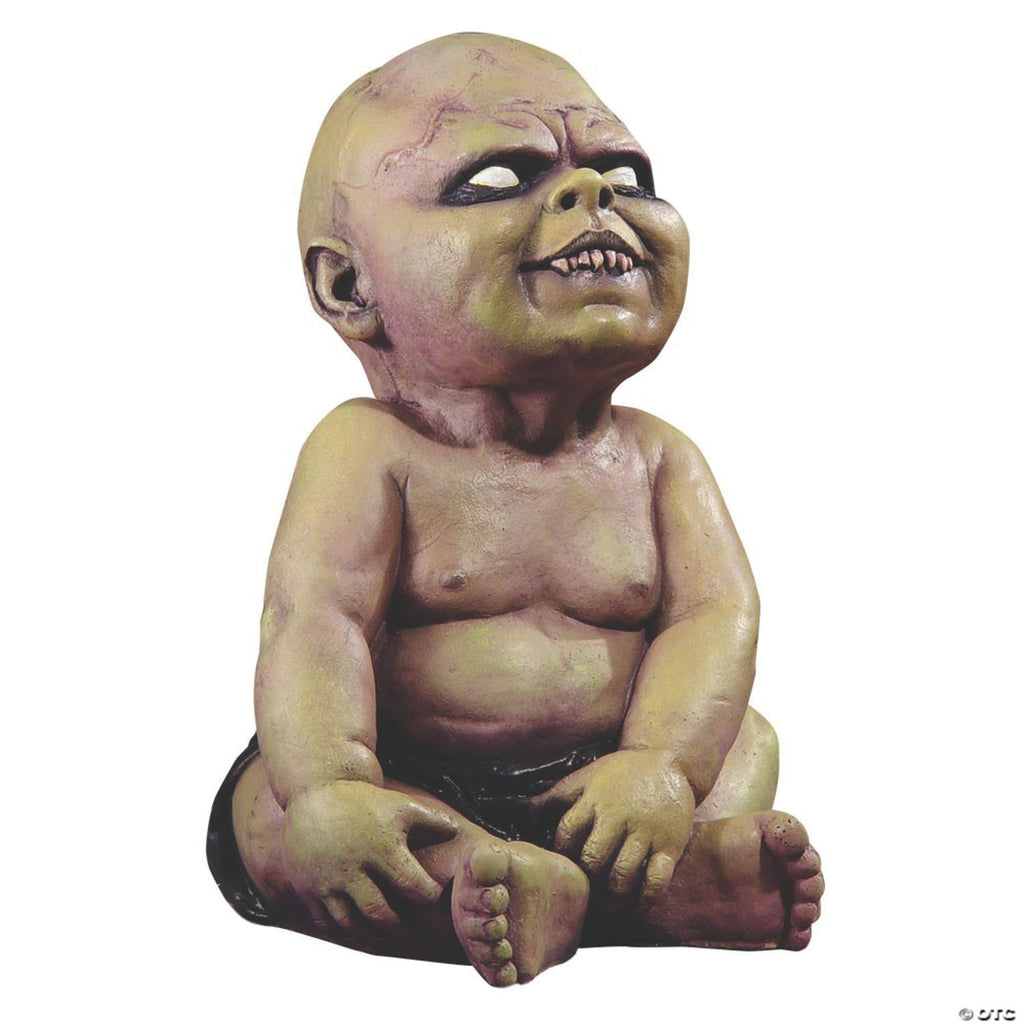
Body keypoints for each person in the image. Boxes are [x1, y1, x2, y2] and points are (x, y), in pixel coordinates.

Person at [208, 32, 823, 987]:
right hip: (409, 779)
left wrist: (661, 767)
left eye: (624, 173)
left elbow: (717, 617)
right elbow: (313, 624)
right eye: (495, 180)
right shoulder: (369, 452)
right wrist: (331, 783)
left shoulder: (659, 459)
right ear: (350, 286)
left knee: (744, 739)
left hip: (615, 783)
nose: (594, 197)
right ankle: (543, 890)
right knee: (276, 821)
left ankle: (618, 884)